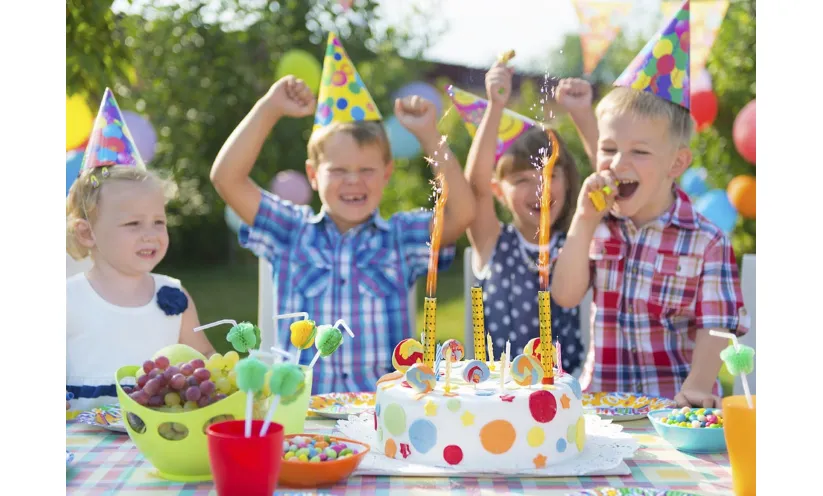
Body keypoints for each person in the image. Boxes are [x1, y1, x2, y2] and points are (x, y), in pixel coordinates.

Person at [210, 33, 474, 394]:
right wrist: (269, 108)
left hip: (382, 414)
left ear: (386, 174)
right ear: (313, 175)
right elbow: (226, 178)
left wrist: (431, 137)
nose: (354, 181)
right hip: (303, 414)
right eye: (339, 170)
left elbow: (462, 212)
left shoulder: (403, 238)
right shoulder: (290, 231)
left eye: (366, 170)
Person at [552, 5, 749, 407]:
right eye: (608, 149)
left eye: (639, 152)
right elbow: (566, 296)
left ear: (676, 163)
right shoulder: (600, 223)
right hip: (602, 407)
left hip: (674, 408)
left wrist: (696, 387)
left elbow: (716, 326)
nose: (617, 164)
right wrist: (582, 221)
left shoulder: (706, 241)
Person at [66, 89, 213, 412]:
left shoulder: (174, 295)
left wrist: (239, 372)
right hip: (82, 444)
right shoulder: (68, 299)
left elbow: (207, 362)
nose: (150, 235)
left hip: (160, 439)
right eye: (133, 224)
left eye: (158, 222)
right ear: (87, 232)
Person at [455, 60, 595, 374]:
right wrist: (495, 108)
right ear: (498, 191)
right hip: (496, 398)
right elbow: (474, 188)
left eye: (550, 175)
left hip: (565, 398)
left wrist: (582, 114)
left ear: (569, 180)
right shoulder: (493, 240)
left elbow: (612, 186)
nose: (540, 189)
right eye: (522, 180)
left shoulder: (577, 241)